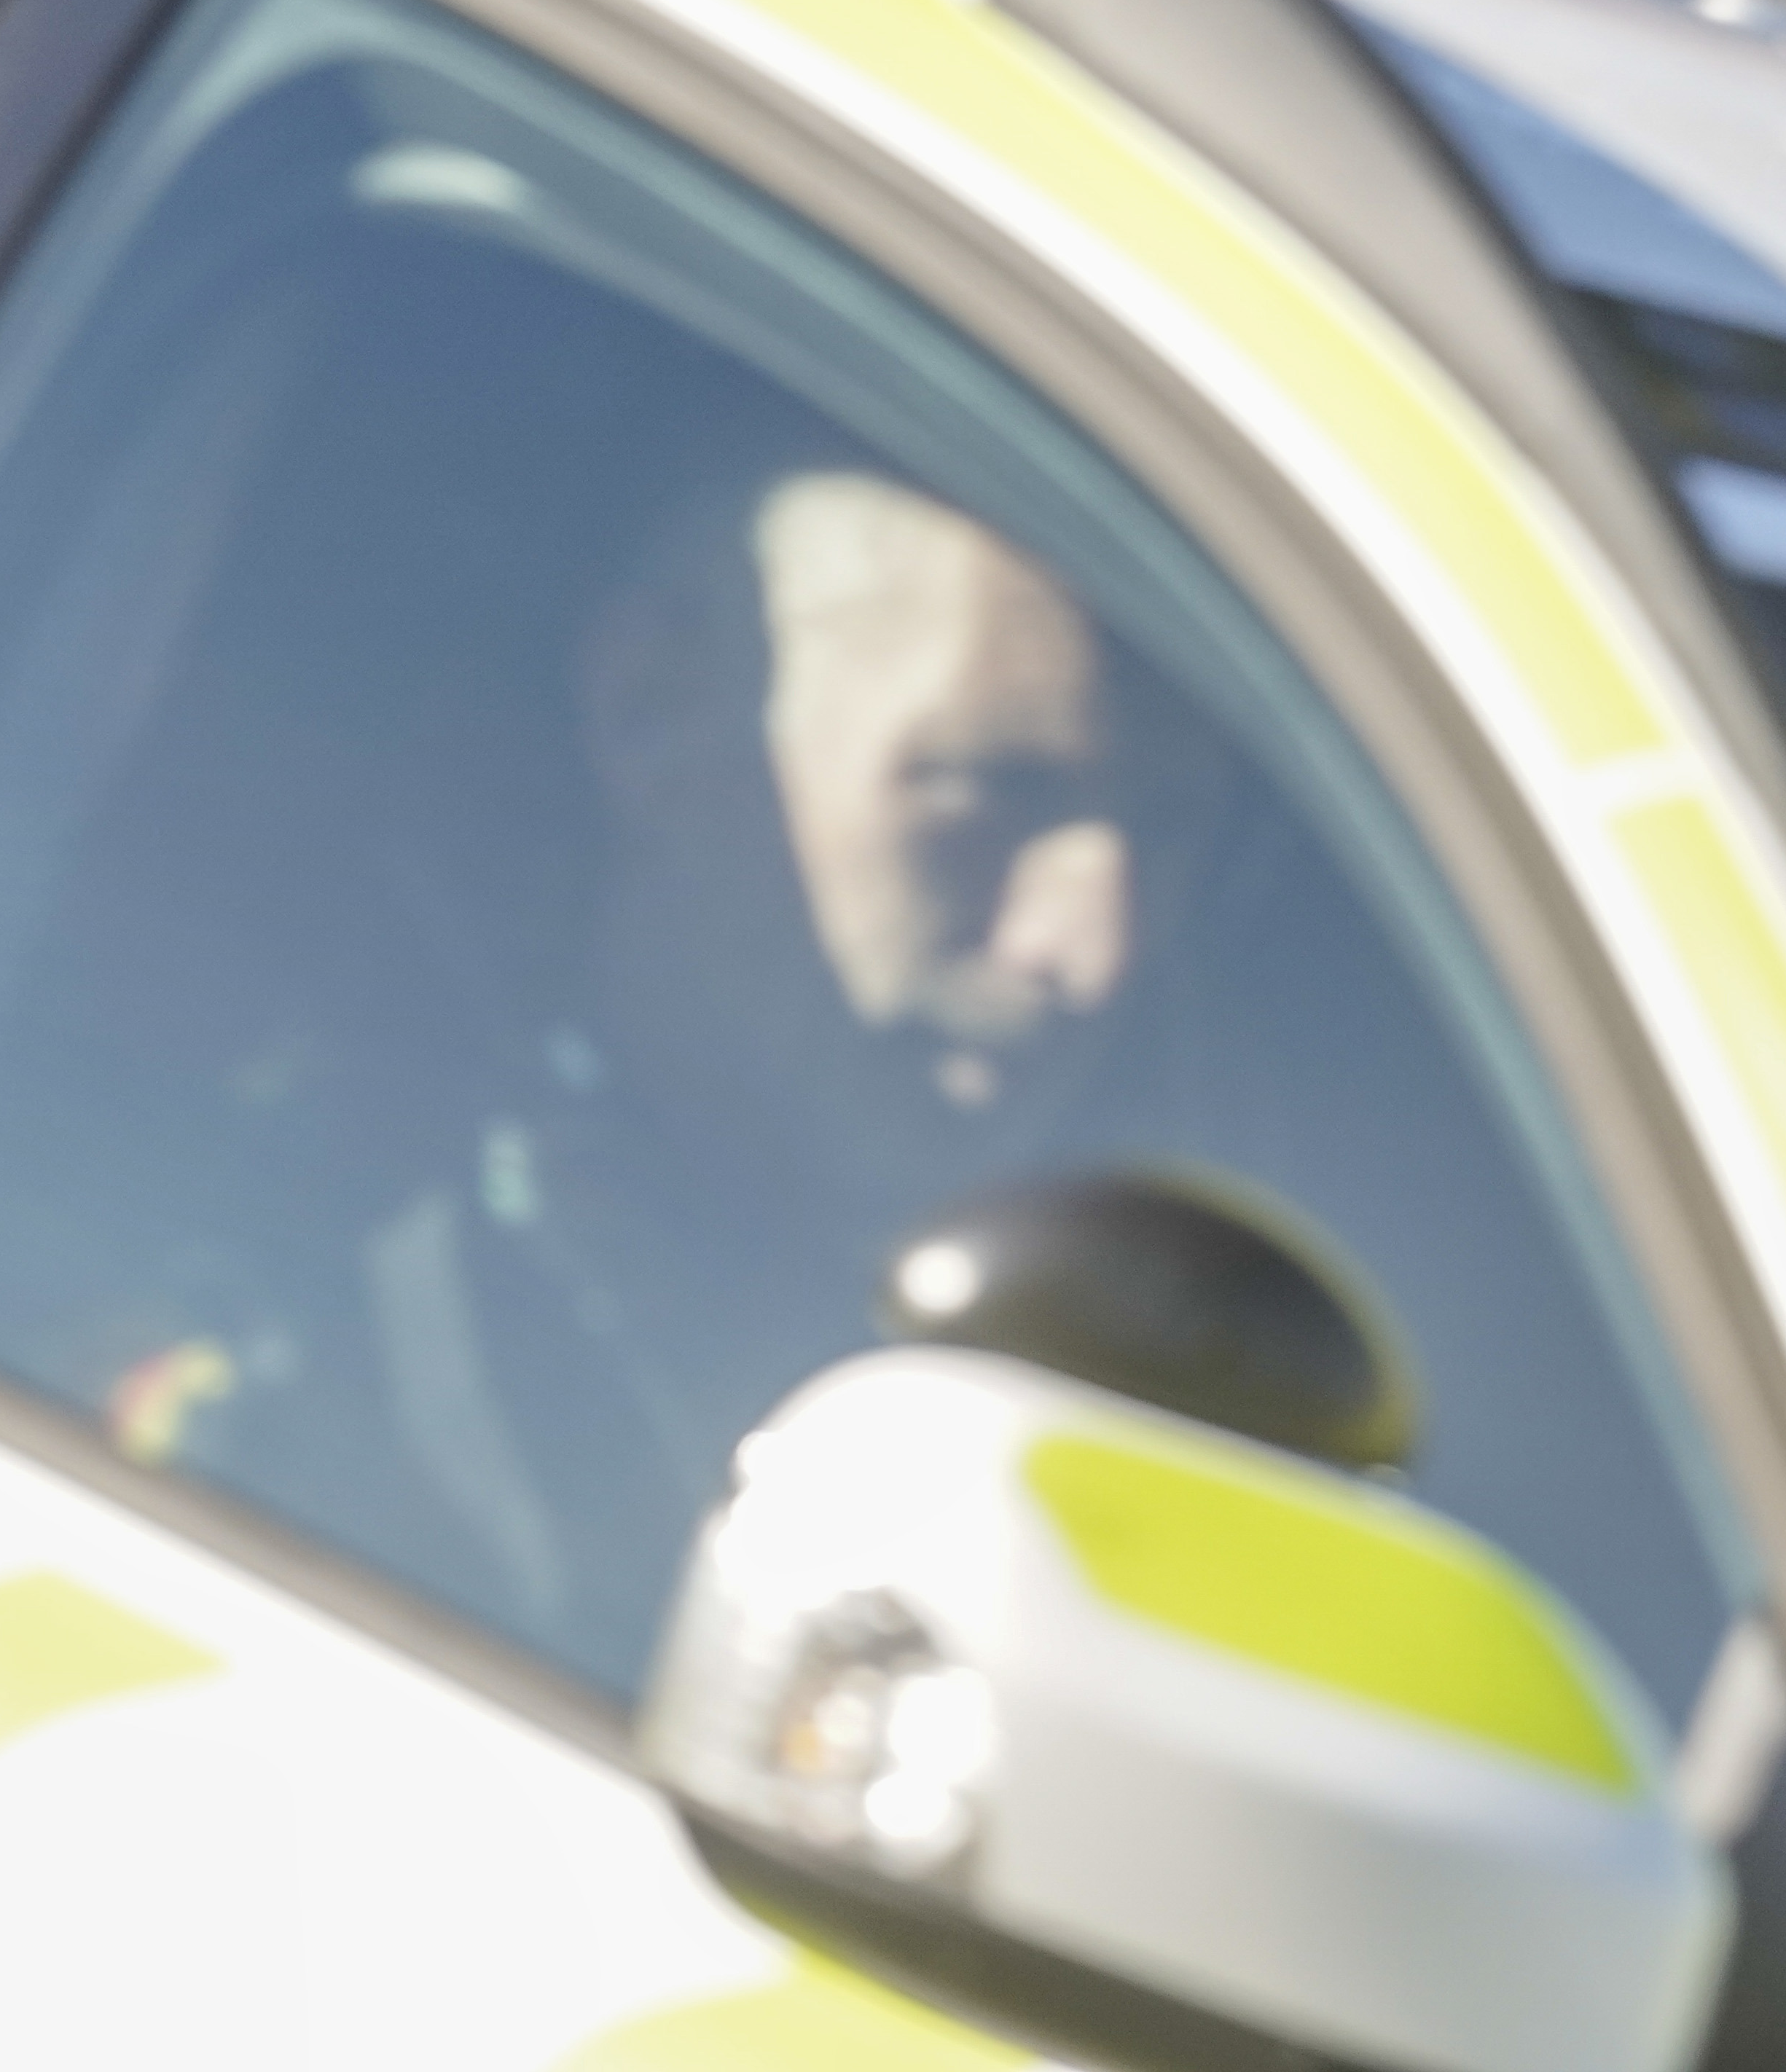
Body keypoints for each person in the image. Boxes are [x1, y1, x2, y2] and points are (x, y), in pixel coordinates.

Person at [347, 463, 1220, 1666]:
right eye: (987, 793)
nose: (1094, 948)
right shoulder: (309, 1329)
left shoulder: (1183, 1397)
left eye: (1168, 831)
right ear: (648, 709)